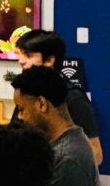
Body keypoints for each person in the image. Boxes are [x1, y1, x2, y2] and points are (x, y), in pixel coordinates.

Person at [10, 66, 102, 186]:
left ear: (42, 104)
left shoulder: (68, 160)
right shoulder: (65, 142)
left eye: (22, 109)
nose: (20, 117)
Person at [12, 29, 102, 165]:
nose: (21, 61)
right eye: (21, 55)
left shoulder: (73, 97)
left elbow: (96, 154)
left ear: (49, 60)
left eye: (28, 56)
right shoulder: (26, 93)